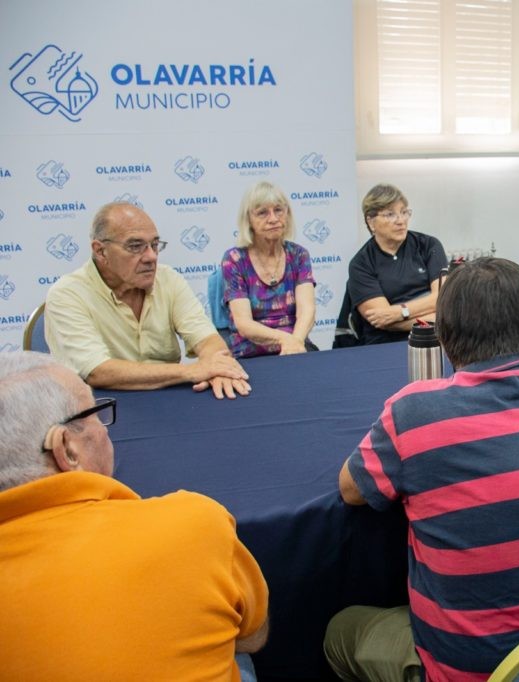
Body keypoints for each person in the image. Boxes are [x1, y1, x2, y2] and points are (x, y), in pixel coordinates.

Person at [323, 258, 519, 681]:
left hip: (479, 670)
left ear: (443, 336)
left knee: (340, 630)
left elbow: (351, 490)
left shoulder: (414, 412)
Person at [0, 352, 269, 681]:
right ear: (67, 449)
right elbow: (253, 636)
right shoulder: (194, 524)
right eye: (96, 413)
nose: (106, 429)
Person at [45, 202, 250, 399]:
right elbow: (98, 371)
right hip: (103, 407)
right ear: (100, 251)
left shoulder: (168, 279)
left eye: (154, 245)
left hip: (169, 399)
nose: (151, 256)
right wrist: (191, 371)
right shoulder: (67, 294)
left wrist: (218, 367)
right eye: (135, 246)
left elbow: (207, 340)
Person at [333, 184, 447, 347]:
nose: (401, 221)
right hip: (386, 342)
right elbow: (382, 321)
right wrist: (433, 318)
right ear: (371, 221)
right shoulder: (361, 263)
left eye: (404, 212)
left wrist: (400, 312)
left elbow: (444, 298)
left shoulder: (428, 245)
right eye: (390, 215)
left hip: (435, 336)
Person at [221, 181, 317, 357]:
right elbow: (244, 324)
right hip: (251, 351)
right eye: (262, 213)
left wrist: (295, 342)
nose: (273, 219)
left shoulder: (299, 255)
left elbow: (307, 310)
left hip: (296, 345)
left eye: (278, 210)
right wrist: (285, 340)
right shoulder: (234, 259)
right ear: (248, 220)